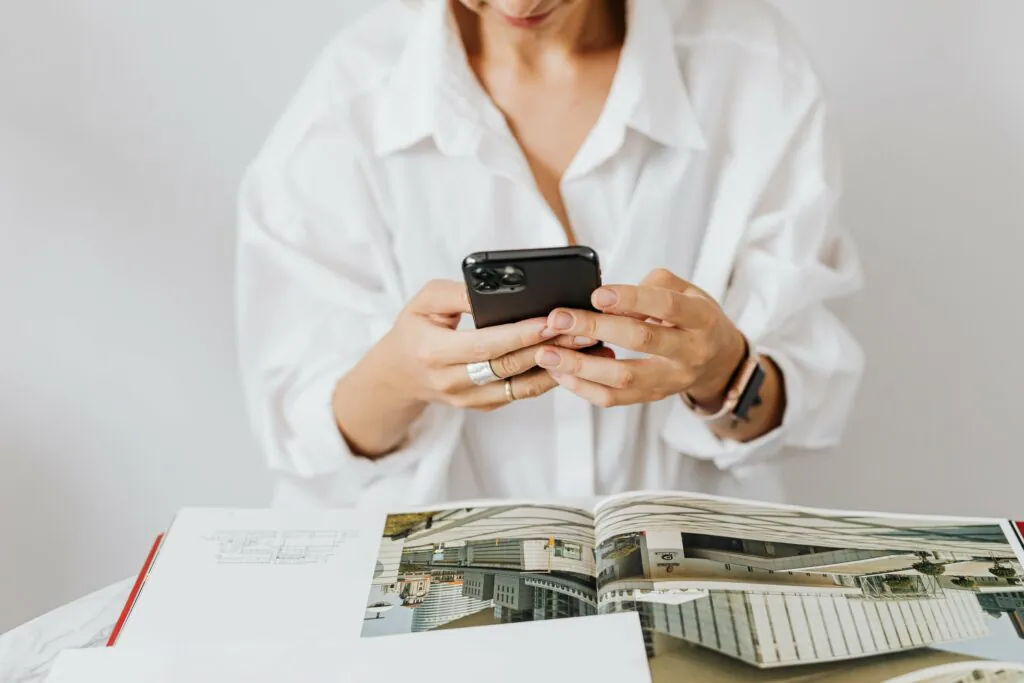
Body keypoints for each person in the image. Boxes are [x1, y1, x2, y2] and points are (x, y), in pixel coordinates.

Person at [236, 0, 863, 510]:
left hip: (685, 584)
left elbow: (804, 401)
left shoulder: (751, 70)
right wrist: (399, 377)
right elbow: (304, 442)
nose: (520, 5)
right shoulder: (349, 103)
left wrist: (721, 370)